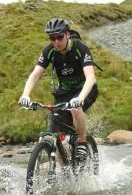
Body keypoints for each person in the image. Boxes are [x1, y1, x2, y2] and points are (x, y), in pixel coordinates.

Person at [18, 18, 98, 162]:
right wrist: (25, 95)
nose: (56, 41)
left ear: (67, 34)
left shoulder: (80, 48)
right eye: (52, 38)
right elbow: (35, 75)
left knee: (76, 108)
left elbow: (91, 78)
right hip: (65, 93)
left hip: (85, 90)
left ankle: (82, 143)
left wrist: (80, 98)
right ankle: (62, 168)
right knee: (54, 127)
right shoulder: (49, 51)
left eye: (60, 37)